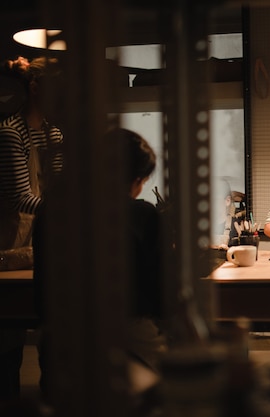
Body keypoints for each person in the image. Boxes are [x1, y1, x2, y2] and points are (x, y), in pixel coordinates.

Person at [33, 128, 167, 401]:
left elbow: (43, 289)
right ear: (133, 179)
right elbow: (159, 294)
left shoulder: (50, 211)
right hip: (129, 339)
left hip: (60, 341)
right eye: (141, 179)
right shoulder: (141, 215)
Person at [0, 55, 63, 404]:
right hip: (11, 239)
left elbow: (58, 187)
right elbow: (20, 197)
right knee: (8, 340)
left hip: (44, 238)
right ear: (35, 88)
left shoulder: (53, 132)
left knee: (51, 331)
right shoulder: (10, 132)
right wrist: (67, 213)